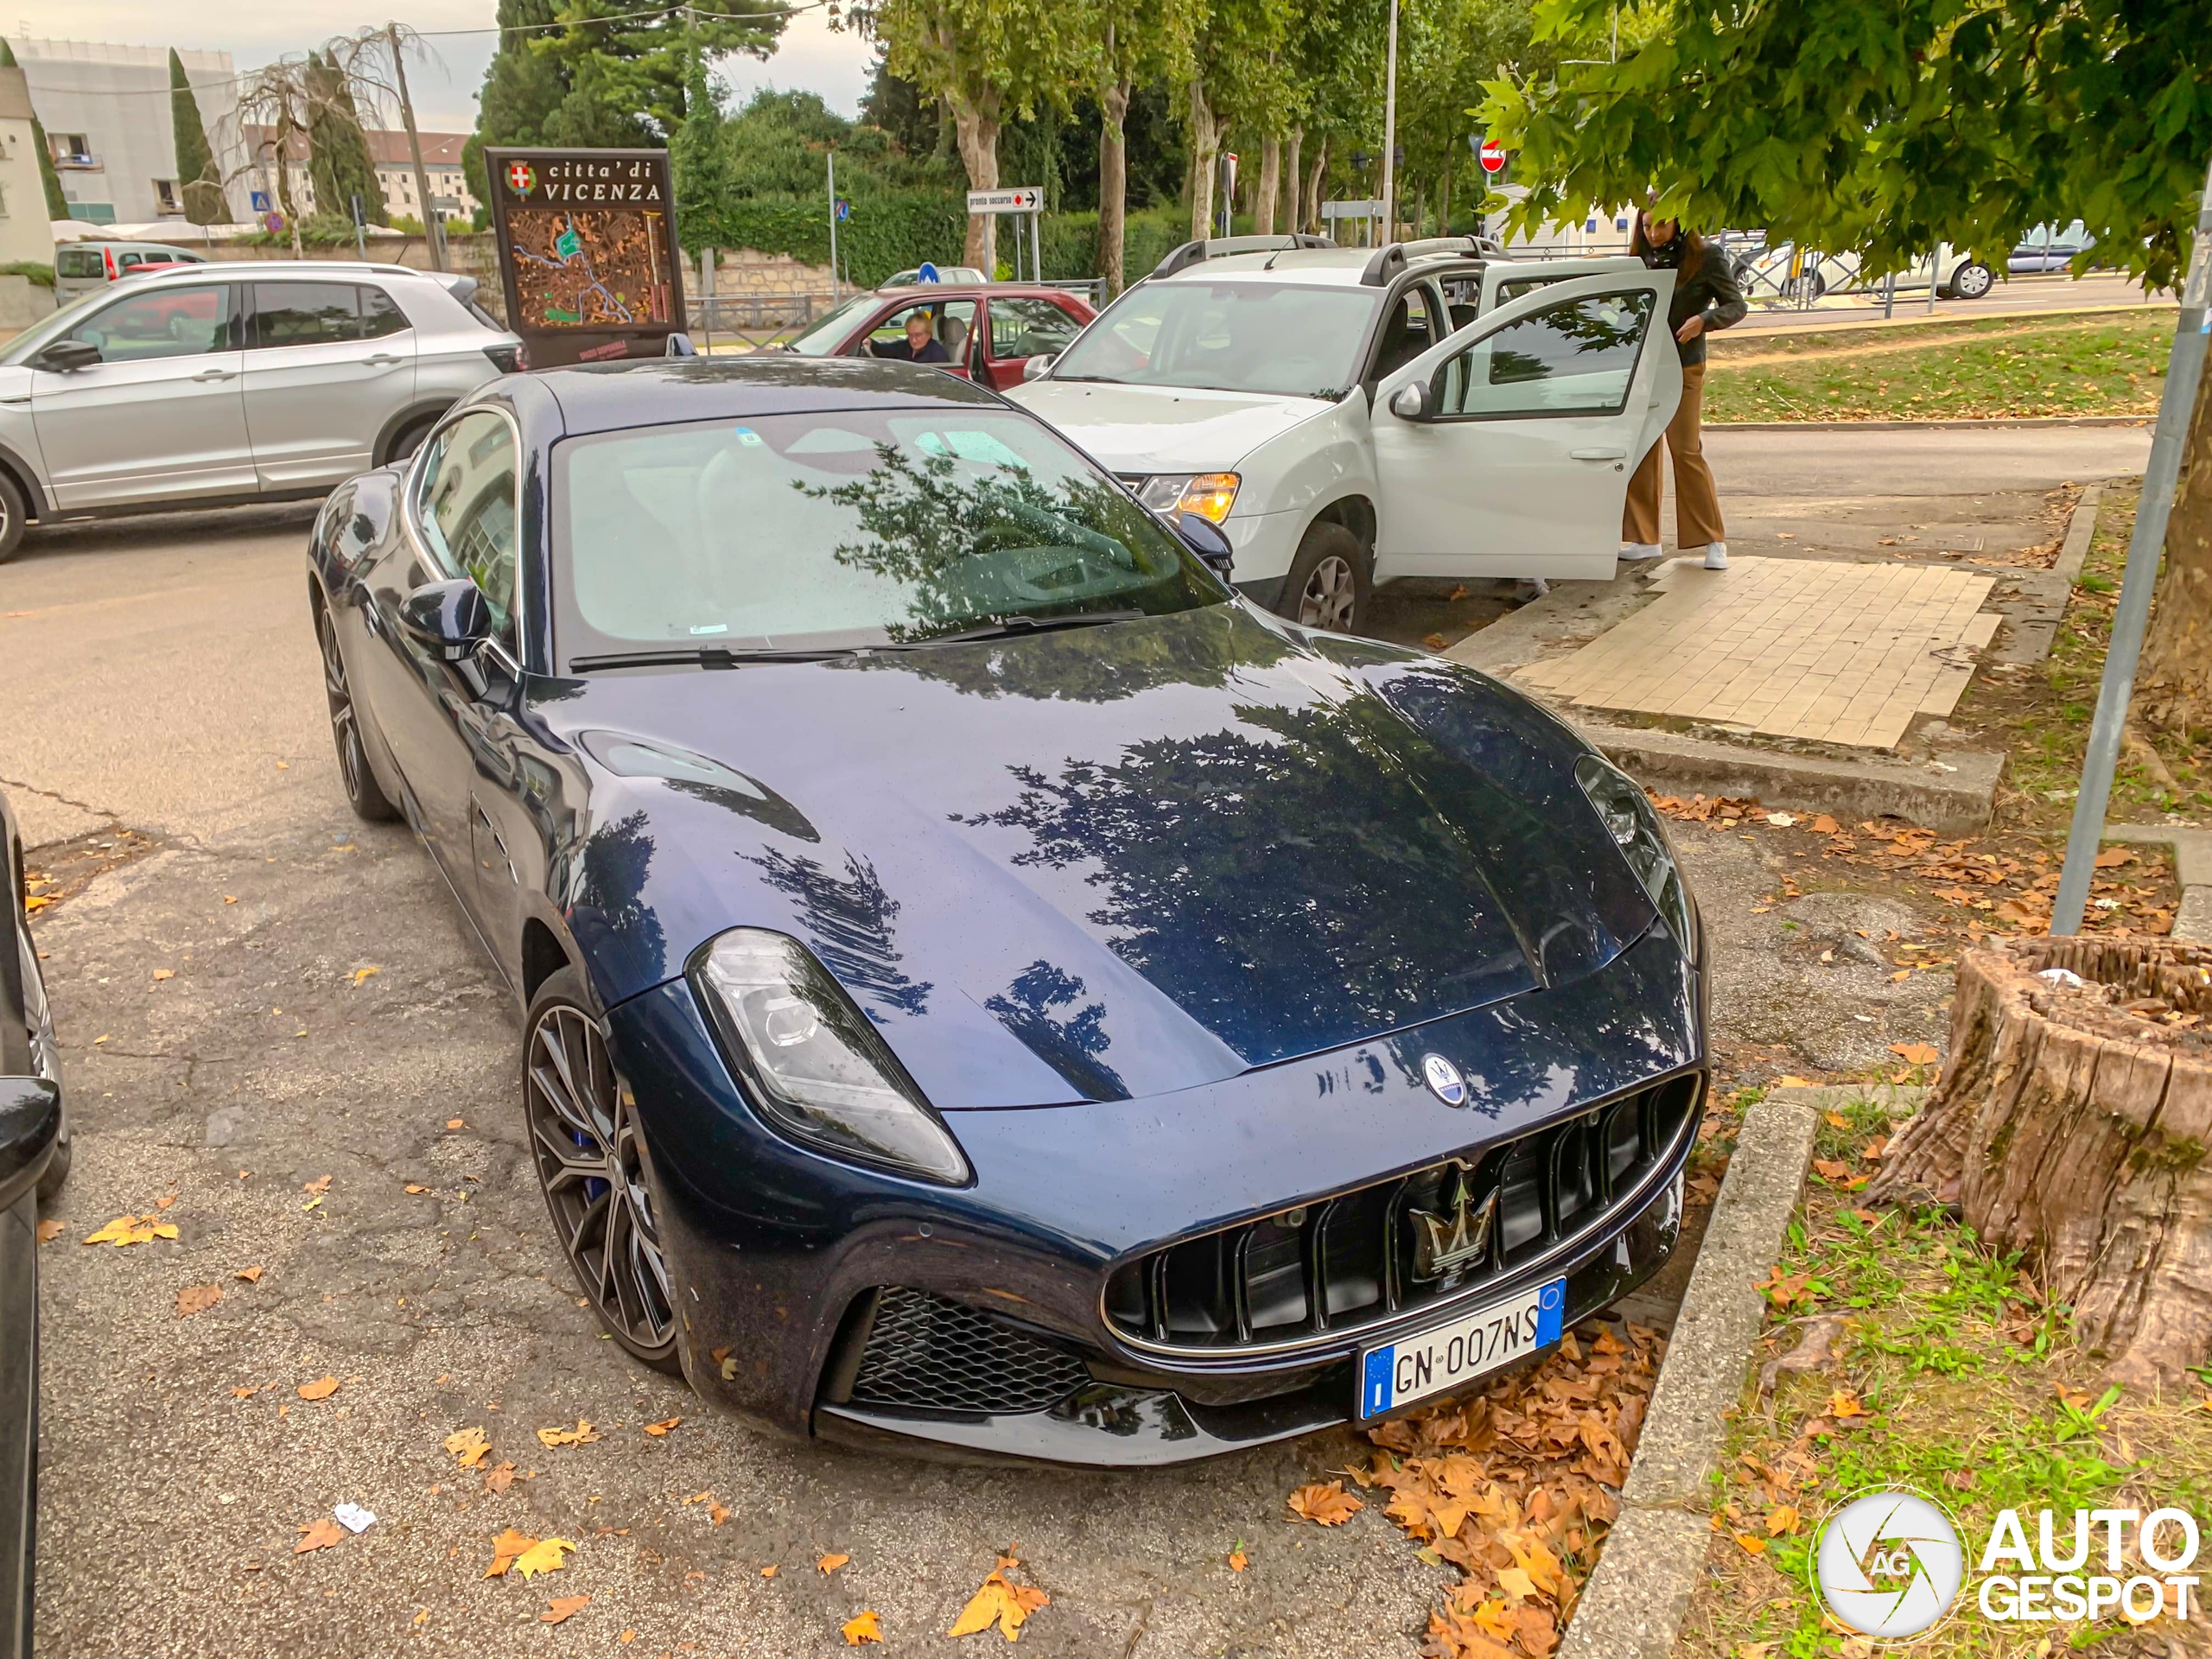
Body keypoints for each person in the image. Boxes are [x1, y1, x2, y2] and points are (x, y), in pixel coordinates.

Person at [1621, 211, 1745, 570]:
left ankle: (1712, 539)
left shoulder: (1706, 256)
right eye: (1646, 226)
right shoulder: (1639, 260)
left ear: (1679, 222)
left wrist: (1704, 321)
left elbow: (1736, 305)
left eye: (1661, 224)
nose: (1654, 233)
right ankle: (1645, 538)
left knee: (1686, 450)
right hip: (1644, 366)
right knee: (1642, 450)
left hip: (1685, 365)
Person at [873, 310, 950, 365]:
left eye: (918, 335)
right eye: (910, 335)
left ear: (929, 334)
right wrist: (870, 342)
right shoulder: (905, 346)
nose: (914, 340)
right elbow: (884, 350)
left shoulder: (938, 354)